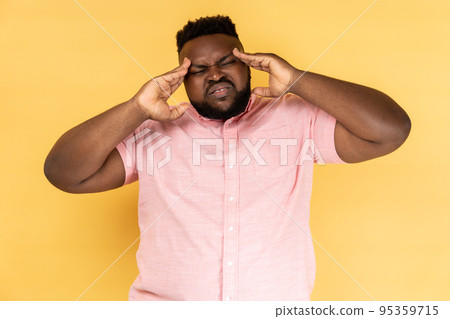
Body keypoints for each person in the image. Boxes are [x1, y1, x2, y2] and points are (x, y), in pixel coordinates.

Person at [44, 15, 411, 301]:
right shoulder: (155, 130)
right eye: (198, 70)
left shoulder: (298, 119)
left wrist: (298, 79)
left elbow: (390, 130)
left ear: (249, 65)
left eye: (225, 62)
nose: (215, 74)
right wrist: (137, 107)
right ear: (182, 81)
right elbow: (64, 173)